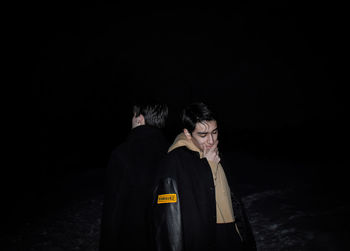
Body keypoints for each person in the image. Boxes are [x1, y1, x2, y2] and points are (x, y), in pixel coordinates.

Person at [152, 102, 256, 251]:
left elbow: (232, 201)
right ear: (187, 133)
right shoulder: (175, 161)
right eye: (203, 135)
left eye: (214, 132)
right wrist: (208, 167)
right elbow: (170, 220)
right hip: (208, 239)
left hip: (231, 235)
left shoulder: (213, 152)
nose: (211, 140)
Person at [99, 102, 169, 251]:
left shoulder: (123, 154)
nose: (132, 119)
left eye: (133, 115)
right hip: (163, 241)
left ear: (140, 119)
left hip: (130, 241)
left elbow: (113, 210)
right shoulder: (171, 153)